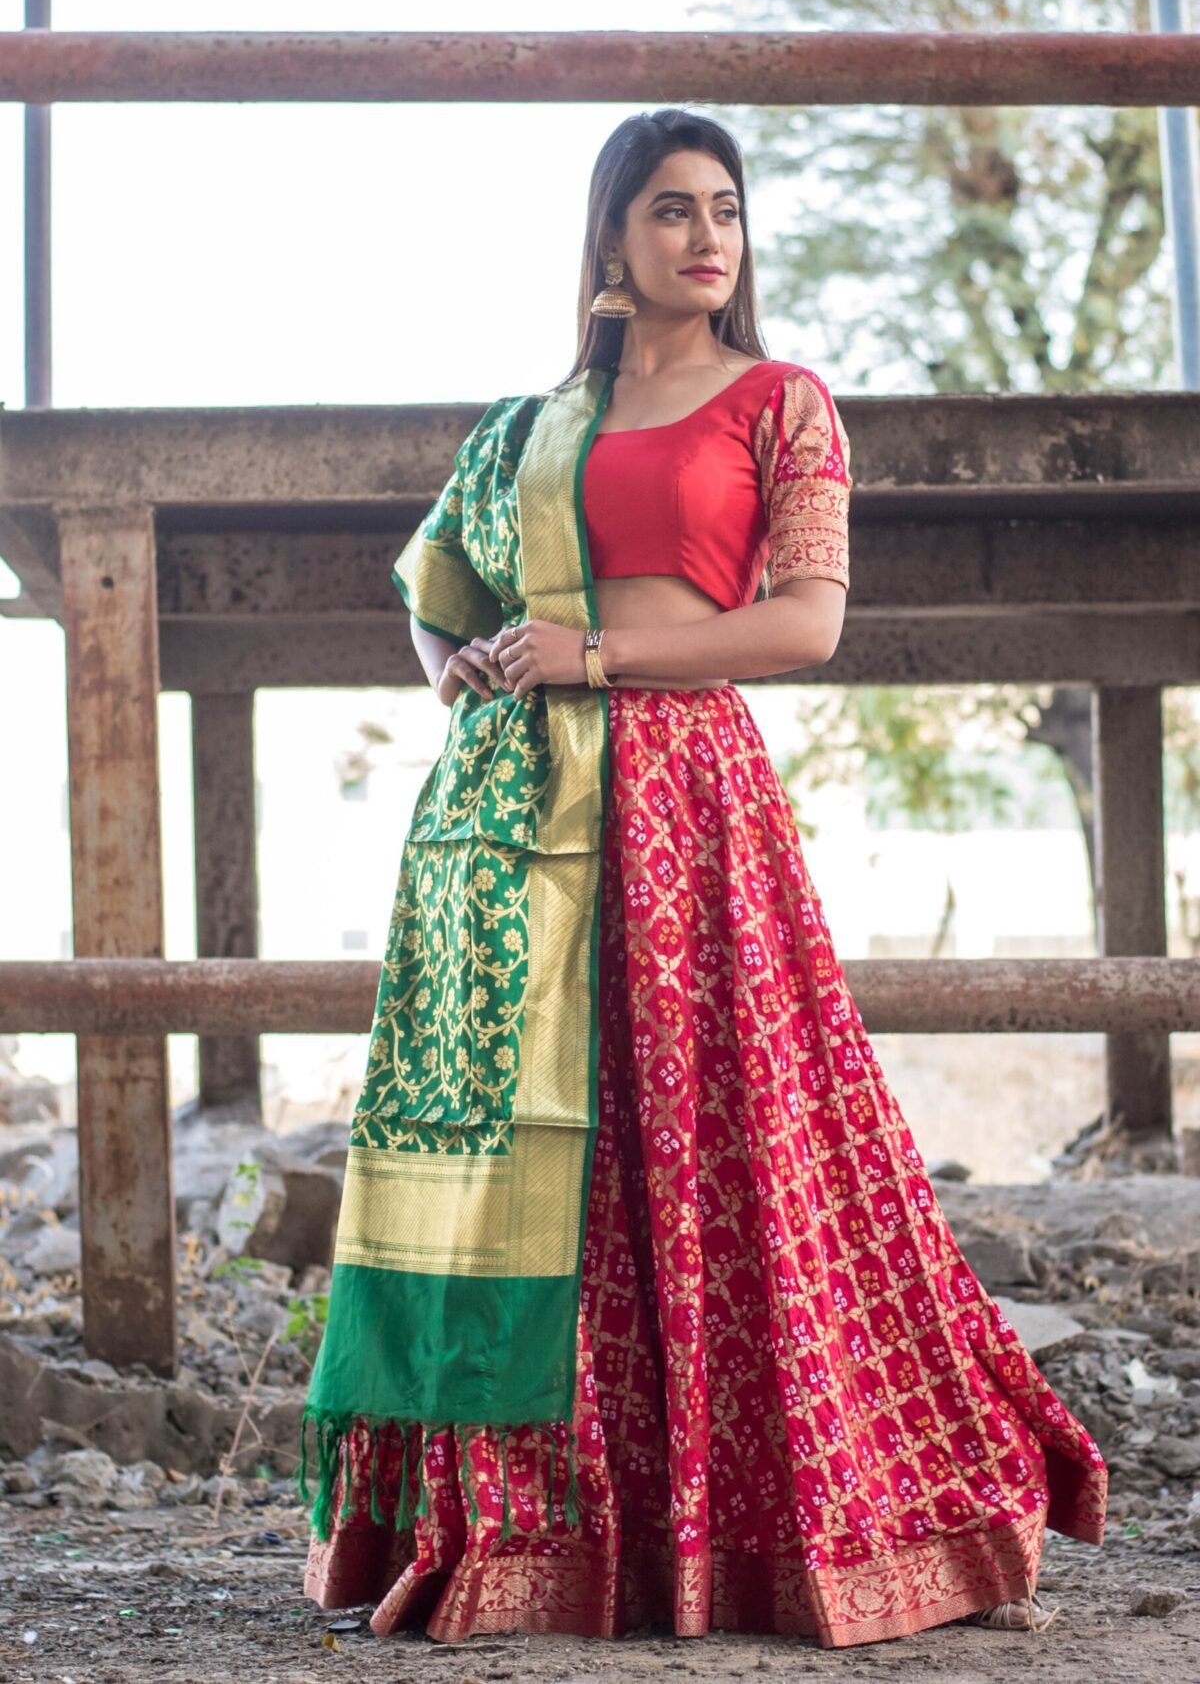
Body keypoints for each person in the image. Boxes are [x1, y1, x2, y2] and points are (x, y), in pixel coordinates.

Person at [298, 107, 1107, 1649]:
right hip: (519, 834)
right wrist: (470, 678)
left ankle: (759, 1525)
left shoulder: (784, 403)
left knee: (723, 1137)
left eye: (724, 208)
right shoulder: (528, 425)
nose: (705, 236)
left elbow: (804, 627)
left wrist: (593, 654)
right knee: (553, 1174)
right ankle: (550, 1528)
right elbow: (433, 593)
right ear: (612, 238)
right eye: (670, 209)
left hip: (689, 810)